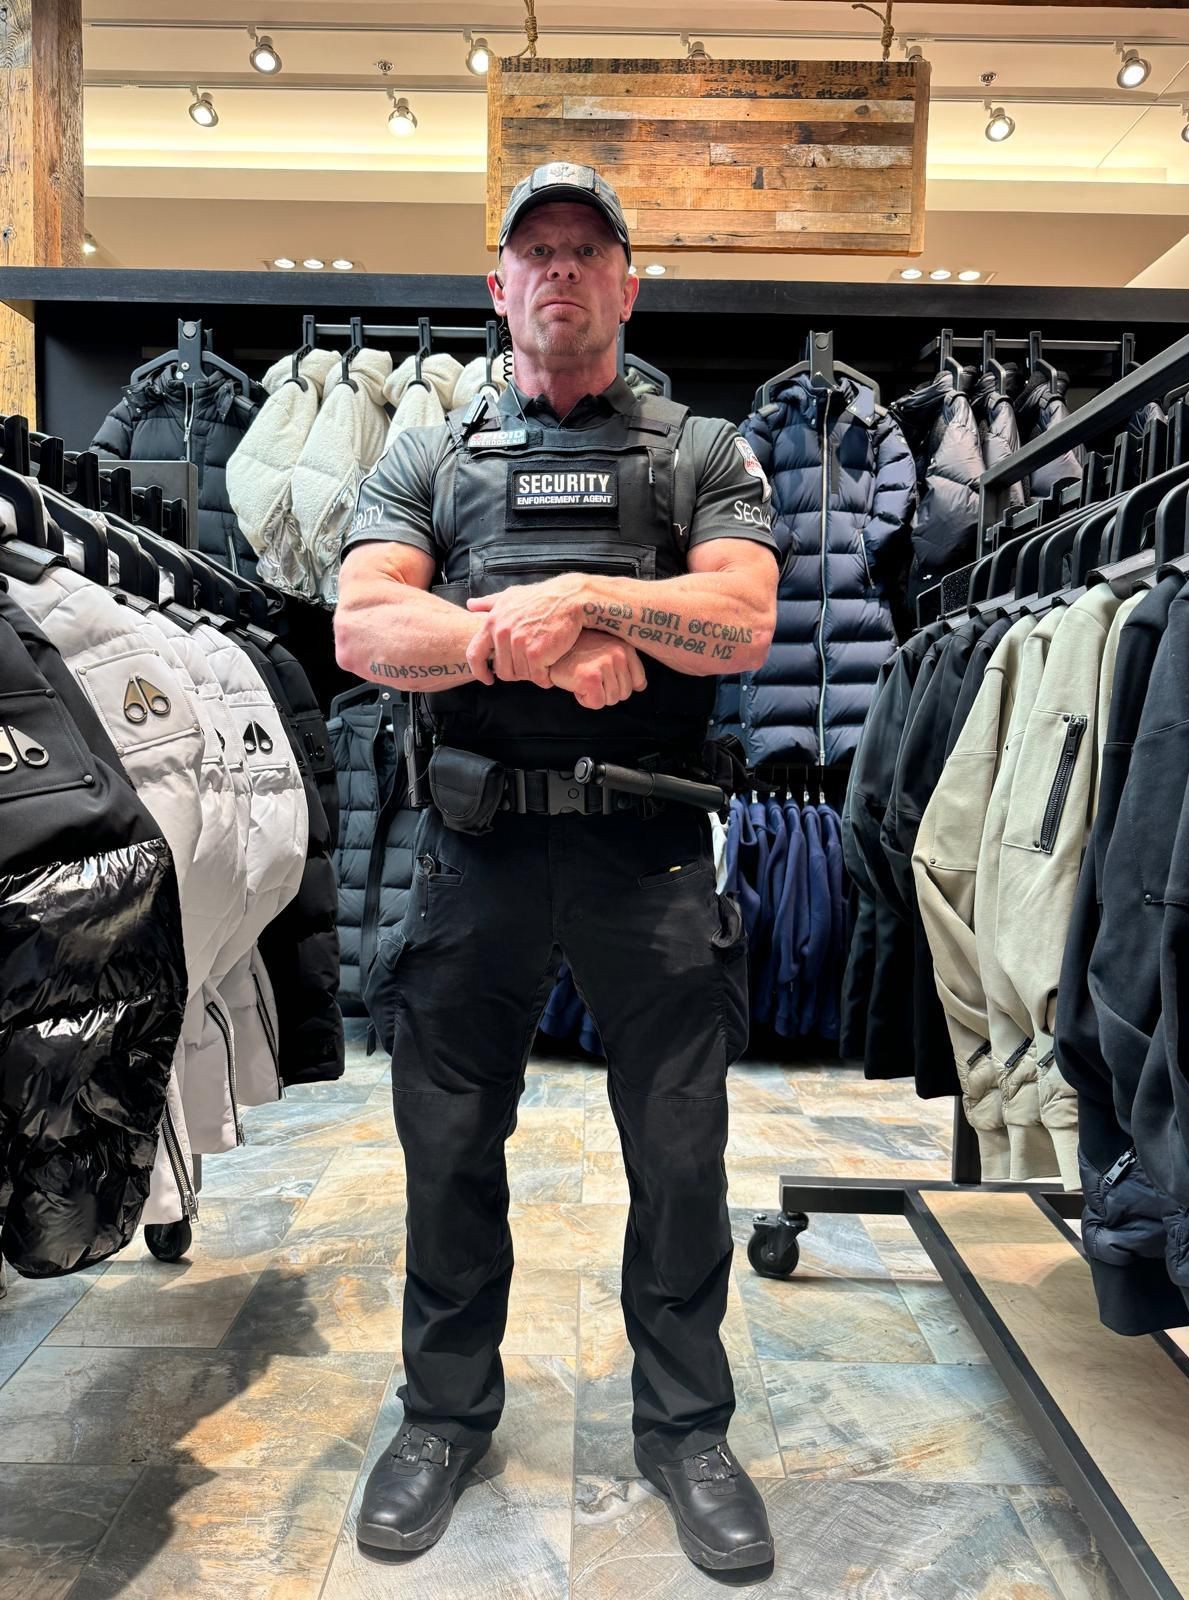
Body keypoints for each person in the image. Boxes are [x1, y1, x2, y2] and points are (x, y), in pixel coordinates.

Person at [334, 160, 781, 1572]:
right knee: (448, 1142)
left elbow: (748, 614)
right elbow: (358, 625)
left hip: (647, 849)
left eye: (590, 249)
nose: (563, 272)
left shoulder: (703, 450)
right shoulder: (428, 456)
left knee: (680, 1148)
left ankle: (687, 1428)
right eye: (539, 251)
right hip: (475, 849)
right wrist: (495, 643)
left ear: (628, 285)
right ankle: (444, 1418)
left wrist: (585, 597)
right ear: (500, 287)